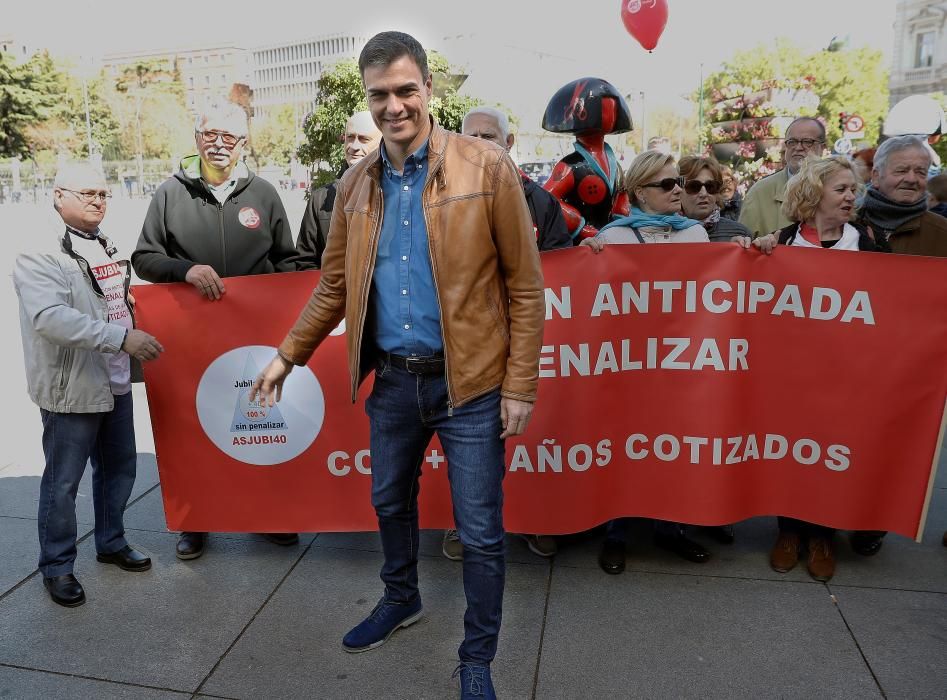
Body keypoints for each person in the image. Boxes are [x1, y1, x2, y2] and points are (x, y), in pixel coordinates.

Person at [250, 32, 544, 699]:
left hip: (471, 383)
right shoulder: (354, 184)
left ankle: (477, 657)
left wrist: (519, 383)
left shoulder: (484, 167)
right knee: (387, 499)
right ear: (368, 97)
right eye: (380, 94)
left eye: (405, 90)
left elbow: (524, 287)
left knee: (479, 531)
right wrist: (285, 358)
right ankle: (400, 598)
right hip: (393, 381)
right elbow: (332, 288)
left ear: (429, 89)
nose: (394, 105)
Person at [579, 151, 769, 574]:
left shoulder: (695, 238)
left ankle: (671, 530)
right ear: (640, 192)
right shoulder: (615, 238)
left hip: (681, 364)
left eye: (677, 182)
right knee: (626, 448)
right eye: (667, 185)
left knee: (675, 447)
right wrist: (587, 256)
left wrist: (743, 253)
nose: (678, 190)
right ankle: (617, 533)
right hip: (628, 369)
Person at [132, 100, 299, 561]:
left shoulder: (264, 193)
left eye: (230, 136)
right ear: (197, 138)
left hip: (254, 336)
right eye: (211, 135)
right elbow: (143, 258)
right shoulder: (170, 193)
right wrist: (184, 270)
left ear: (243, 142)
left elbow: (288, 259)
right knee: (192, 430)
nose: (220, 143)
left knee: (261, 427)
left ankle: (269, 516)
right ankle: (196, 521)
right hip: (192, 338)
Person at [14, 163, 164, 607]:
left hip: (114, 378)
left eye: (103, 194)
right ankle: (57, 567)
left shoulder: (104, 243)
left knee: (119, 470)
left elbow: (110, 299)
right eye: (88, 194)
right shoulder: (39, 251)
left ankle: (111, 541)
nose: (98, 201)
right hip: (72, 386)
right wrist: (121, 336)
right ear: (59, 195)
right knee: (63, 482)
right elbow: (50, 318)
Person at [435, 106, 569, 563]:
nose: (479, 144)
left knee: (533, 438)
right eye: (470, 136)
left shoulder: (541, 202)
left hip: (525, 344)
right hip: (470, 348)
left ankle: (537, 519)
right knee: (470, 449)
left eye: (488, 136)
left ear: (509, 144)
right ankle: (462, 525)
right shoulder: (443, 192)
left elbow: (565, 271)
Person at [758, 155, 890, 582]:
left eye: (854, 189)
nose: (852, 196)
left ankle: (823, 535)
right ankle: (789, 532)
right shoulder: (779, 244)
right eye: (841, 189)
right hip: (790, 376)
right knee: (789, 449)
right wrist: (753, 250)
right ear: (814, 195)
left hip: (846, 377)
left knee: (831, 453)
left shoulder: (869, 244)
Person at [541, 78, 633, 240]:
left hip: (611, 240)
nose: (609, 113)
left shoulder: (615, 167)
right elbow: (547, 199)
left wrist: (620, 224)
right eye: (604, 107)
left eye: (611, 106)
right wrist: (580, 226)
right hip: (581, 245)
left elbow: (621, 199)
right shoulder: (570, 166)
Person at [294, 111, 382, 270]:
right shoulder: (319, 200)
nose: (354, 146)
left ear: (382, 143)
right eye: (350, 137)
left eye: (364, 139)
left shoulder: (397, 194)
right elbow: (304, 262)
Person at [856, 134, 947, 257]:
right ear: (876, 176)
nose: (911, 179)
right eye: (901, 170)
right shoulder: (844, 224)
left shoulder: (941, 232)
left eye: (920, 172)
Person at [739, 116, 826, 237]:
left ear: (823, 148)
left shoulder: (837, 189)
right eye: (792, 142)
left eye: (807, 142)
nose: (798, 147)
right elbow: (743, 246)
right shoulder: (760, 192)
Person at [679, 155, 752, 243]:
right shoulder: (661, 233)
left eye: (710, 186)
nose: (703, 194)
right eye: (694, 186)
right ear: (678, 190)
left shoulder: (740, 234)